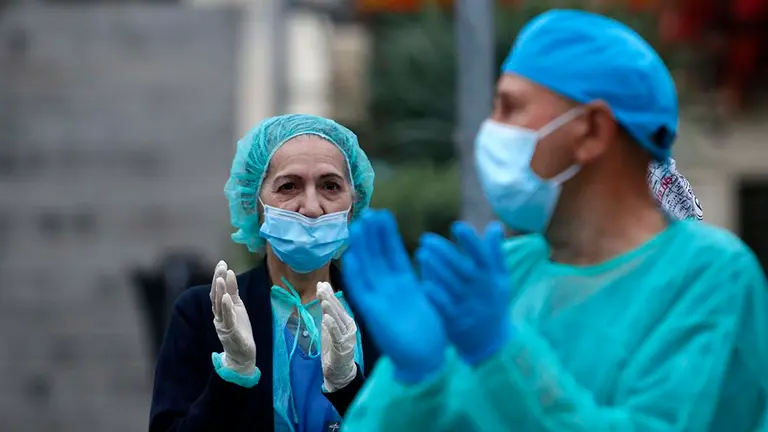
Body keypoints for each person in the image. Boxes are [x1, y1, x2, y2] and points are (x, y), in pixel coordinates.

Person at [338, 10, 768, 431]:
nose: (491, 131)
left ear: (593, 130)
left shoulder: (708, 277)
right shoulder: (507, 273)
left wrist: (500, 353)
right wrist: (415, 380)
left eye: (510, 107)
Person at [149, 114, 380, 431]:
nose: (311, 207)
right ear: (253, 202)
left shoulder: (382, 318)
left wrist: (348, 385)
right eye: (289, 186)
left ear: (352, 204)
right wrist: (233, 375)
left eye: (330, 186)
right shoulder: (202, 315)